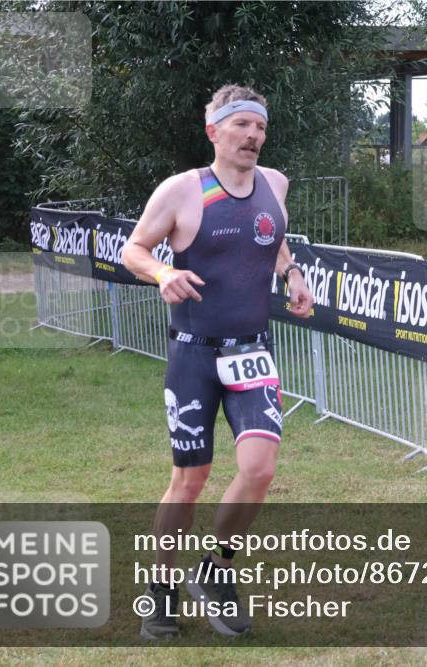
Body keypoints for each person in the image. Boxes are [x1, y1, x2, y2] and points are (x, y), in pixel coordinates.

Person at [121, 84, 314, 639]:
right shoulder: (183, 191)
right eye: (242, 126)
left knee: (259, 468)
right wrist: (163, 272)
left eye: (260, 127)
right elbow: (134, 248)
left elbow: (272, 238)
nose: (254, 136)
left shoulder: (275, 184)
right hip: (194, 356)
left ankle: (213, 570)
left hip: (253, 351)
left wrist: (291, 274)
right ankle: (160, 591)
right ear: (214, 132)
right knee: (190, 480)